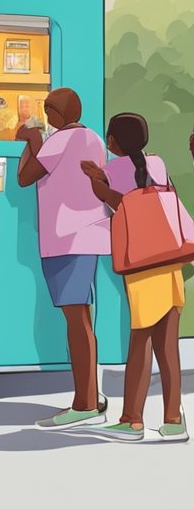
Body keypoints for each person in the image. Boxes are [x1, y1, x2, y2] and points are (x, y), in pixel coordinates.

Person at [78, 113, 187, 443]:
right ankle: (172, 420)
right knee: (168, 345)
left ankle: (132, 420)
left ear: (113, 142)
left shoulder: (114, 170)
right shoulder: (158, 162)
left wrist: (97, 181)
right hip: (169, 262)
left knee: (141, 342)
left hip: (142, 265)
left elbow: (120, 204)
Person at [15, 87, 110, 430]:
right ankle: (92, 396)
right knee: (83, 315)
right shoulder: (94, 139)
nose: (47, 117)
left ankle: (84, 404)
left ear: (56, 113)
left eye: (48, 111)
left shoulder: (57, 140)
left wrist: (30, 138)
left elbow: (25, 178)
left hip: (66, 238)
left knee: (76, 320)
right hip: (91, 234)